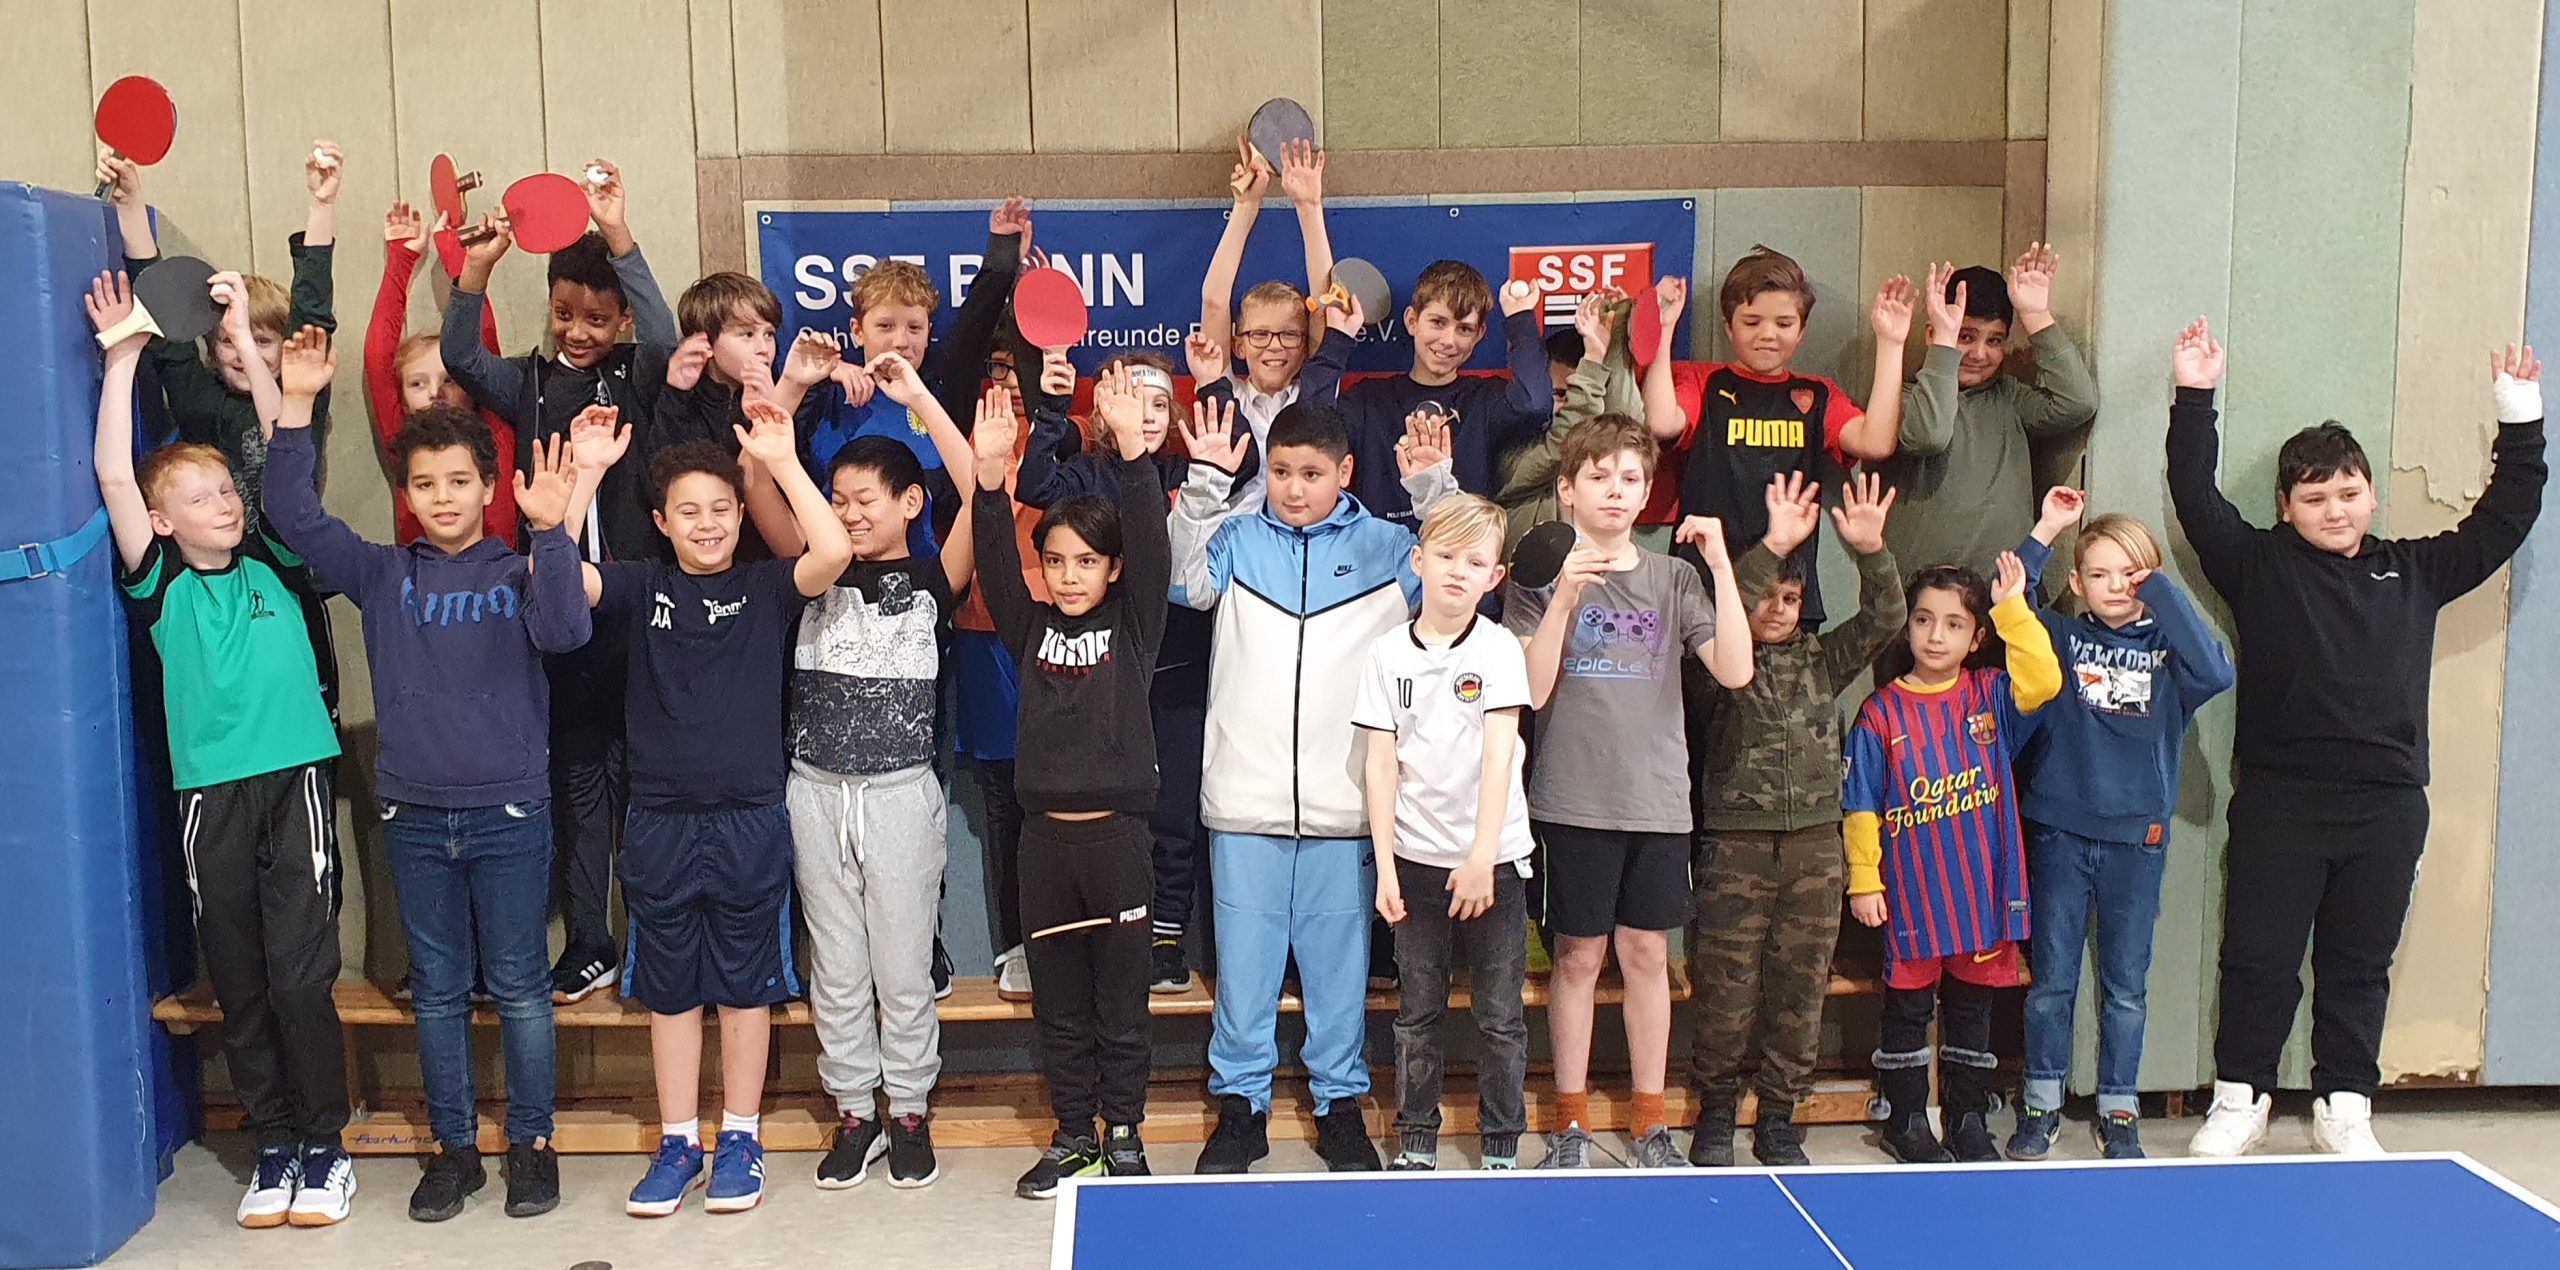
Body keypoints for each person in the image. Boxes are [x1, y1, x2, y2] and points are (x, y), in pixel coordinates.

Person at [2170, 320, 2546, 1158]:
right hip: (2281, 802)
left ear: (2371, 495)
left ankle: (2345, 1103)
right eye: (2313, 499)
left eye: (2347, 493)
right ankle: (2239, 1098)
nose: (2333, 510)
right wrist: (2195, 394)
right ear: (2285, 508)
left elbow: (2503, 520)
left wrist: (2520, 418)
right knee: (2259, 959)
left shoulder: (2415, 571)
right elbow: (2194, 494)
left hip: (2387, 807)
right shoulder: (2257, 564)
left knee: (2357, 963)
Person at [262, 326, 592, 1220]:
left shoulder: (521, 569)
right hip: (413, 817)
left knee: (521, 988)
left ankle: (532, 1145)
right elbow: (291, 514)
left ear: (490, 487)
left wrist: (552, 531)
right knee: (438, 993)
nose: (442, 497)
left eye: (458, 482)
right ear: (406, 494)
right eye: (424, 484)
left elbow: (567, 633)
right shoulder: (381, 574)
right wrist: (297, 404)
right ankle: (453, 1152)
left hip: (510, 814)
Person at [85, 271, 352, 1228]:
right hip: (210, 796)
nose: (223, 505)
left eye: (225, 491)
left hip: (295, 781)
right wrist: (123, 361)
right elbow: (116, 477)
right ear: (164, 522)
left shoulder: (275, 557)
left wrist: (239, 328)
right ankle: (272, 1145)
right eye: (198, 498)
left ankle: (325, 1147)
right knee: (240, 983)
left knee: (300, 979)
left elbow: (282, 449)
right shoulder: (157, 582)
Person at [559, 400, 854, 1216]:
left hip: (750, 816)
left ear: (739, 515)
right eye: (688, 512)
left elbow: (832, 551)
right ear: (661, 522)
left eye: (721, 508)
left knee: (746, 989)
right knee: (671, 991)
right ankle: (679, 1141)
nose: (708, 524)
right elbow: (561, 581)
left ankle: (742, 1139)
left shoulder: (765, 587)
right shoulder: (639, 585)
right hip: (658, 819)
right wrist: (583, 479)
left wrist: (782, 463)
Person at [1169, 403, 1457, 1174]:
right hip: (1245, 802)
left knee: (1339, 974)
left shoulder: (1390, 548)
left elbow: (1459, 587)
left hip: (1347, 807)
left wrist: (1435, 491)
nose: (1294, 489)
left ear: (1345, 472)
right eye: (1280, 472)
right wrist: (1203, 485)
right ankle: (1241, 1108)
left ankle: (1339, 1106)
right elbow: (1181, 582)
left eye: (1311, 474)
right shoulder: (1236, 537)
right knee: (1244, 973)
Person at [440, 159, 678, 1006]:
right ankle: (589, 942)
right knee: (576, 787)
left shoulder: (639, 376)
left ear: (620, 319)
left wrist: (617, 229)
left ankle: (655, 941)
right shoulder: (530, 383)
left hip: (637, 605)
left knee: (646, 787)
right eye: (565, 314)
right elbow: (459, 353)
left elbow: (667, 339)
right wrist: (478, 266)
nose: (579, 331)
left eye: (598, 318)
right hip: (558, 616)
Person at [748, 353, 974, 1193]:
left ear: (910, 504)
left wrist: (917, 396)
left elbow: (981, 490)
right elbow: (762, 487)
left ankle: (908, 1110)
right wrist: (789, 396)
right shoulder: (812, 574)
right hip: (815, 791)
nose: (848, 514)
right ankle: (854, 1111)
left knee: (903, 967)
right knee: (836, 968)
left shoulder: (933, 579)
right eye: (837, 500)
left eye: (864, 500)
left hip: (900, 797)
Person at [1505, 413, 1753, 1170]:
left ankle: (1650, 1123)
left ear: (1647, 494)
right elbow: (1531, 691)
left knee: (1646, 955)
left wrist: (1722, 568)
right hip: (1571, 801)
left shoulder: (1674, 579)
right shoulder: (1537, 576)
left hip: (1657, 804)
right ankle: (1570, 1123)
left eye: (1631, 478)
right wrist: (1563, 600)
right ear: (1567, 489)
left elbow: (1735, 670)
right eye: (1600, 477)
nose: (1616, 491)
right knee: (1577, 959)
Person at [971, 368, 1175, 1197]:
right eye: (1054, 561)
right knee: (1058, 1006)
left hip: (1119, 844)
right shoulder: (1029, 630)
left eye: (1086, 562)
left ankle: (1123, 1133)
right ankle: (1072, 1136)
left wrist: (1131, 452)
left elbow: (1152, 542)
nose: (1067, 576)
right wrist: (991, 482)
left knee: (1121, 1005)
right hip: (1045, 849)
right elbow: (994, 564)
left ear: (1113, 569)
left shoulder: (1136, 624)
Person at [2006, 487, 2233, 1161]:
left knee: (2125, 989)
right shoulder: (2062, 636)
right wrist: (2047, 527)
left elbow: (2217, 671)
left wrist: (2158, 590)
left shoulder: (2171, 653)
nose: (2115, 585)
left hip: (2138, 843)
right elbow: (2011, 601)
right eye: (2100, 573)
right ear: (2077, 582)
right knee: (2051, 984)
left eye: (2130, 573)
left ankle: (2119, 1108)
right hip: (2060, 834)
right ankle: (2041, 1102)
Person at [1686, 471, 1903, 1168]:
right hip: (1735, 849)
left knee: (1800, 991)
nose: (1777, 609)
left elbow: (1886, 618)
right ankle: (1717, 1110)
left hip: (1814, 849)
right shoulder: (1713, 663)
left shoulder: (1820, 659)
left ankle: (1780, 1114)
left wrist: (1871, 553)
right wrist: (1772, 548)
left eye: (1790, 597)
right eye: (1765, 597)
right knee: (1725, 992)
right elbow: (1734, 601)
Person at [1014, 350, 1233, 994]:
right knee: (1118, 809)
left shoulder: (1187, 469)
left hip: (1180, 664)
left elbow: (1239, 454)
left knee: (1175, 806)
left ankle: (1166, 932)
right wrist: (1054, 411)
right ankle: (1102, 930)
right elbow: (1032, 485)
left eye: (1160, 404)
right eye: (1133, 403)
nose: (1148, 416)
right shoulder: (1089, 472)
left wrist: (1215, 384)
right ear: (1107, 414)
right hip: (1109, 672)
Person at [1843, 551, 2060, 1163]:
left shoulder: (1990, 697)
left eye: (1954, 624)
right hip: (1912, 895)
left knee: (1972, 1011)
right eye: (1923, 620)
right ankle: (1907, 1120)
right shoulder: (1880, 713)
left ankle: (1968, 1119)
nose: (1936, 635)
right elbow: (1860, 805)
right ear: (1907, 626)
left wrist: (2012, 608)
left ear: (1977, 637)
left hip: (1981, 895)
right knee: (1907, 1011)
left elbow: (2044, 680)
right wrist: (1865, 879)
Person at [1355, 495, 1536, 1171]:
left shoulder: (1499, 650)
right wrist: (1386, 868)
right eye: (1447, 555)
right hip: (1415, 864)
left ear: (1495, 576)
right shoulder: (1385, 655)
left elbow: (1500, 757)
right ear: (1418, 560)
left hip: (1495, 864)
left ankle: (1501, 1142)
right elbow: (1380, 765)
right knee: (1417, 1013)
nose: (1459, 570)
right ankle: (1416, 1138)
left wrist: (1483, 858)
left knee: (1499, 1016)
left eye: (1476, 561)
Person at [1650, 246, 1906, 622]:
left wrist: (1891, 343)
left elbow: (1876, 442)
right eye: (1752, 322)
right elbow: (1660, 422)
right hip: (1703, 592)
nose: (1767, 335)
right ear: (1728, 326)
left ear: (1802, 331)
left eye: (1784, 324)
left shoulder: (1816, 395)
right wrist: (1662, 330)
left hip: (1787, 596)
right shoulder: (1705, 382)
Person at [1876, 248, 2099, 577]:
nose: (1980, 354)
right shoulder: (1904, 400)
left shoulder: (2008, 397)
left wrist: (2035, 315)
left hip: (2005, 588)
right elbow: (1929, 436)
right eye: (1965, 336)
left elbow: (2078, 402)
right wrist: (1944, 345)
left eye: (1995, 341)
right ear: (1932, 334)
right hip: (1925, 593)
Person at [1333, 262, 1553, 525]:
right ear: (1412, 321)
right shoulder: (1367, 400)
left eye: (1465, 329)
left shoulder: (1484, 399)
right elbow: (1311, 425)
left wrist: (1520, 318)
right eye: (1438, 322)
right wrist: (1335, 339)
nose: (1449, 340)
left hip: (1462, 547)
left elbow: (1534, 404)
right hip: (1381, 549)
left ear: (1479, 334)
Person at [1192, 137, 1338, 512]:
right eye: (1259, 335)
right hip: (1236, 537)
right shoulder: (1226, 392)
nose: (1274, 346)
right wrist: (1246, 206)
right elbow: (1214, 302)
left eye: (1289, 335)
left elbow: (1326, 304)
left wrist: (1309, 206)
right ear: (1238, 344)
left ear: (1305, 346)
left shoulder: (1314, 393)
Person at [366, 200, 516, 545]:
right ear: (403, 396)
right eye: (418, 383)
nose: (435, 392)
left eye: (450, 380)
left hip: (501, 575)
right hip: (422, 578)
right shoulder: (403, 441)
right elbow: (378, 358)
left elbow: (483, 339)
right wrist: (400, 260)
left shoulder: (493, 430)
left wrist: (457, 252)